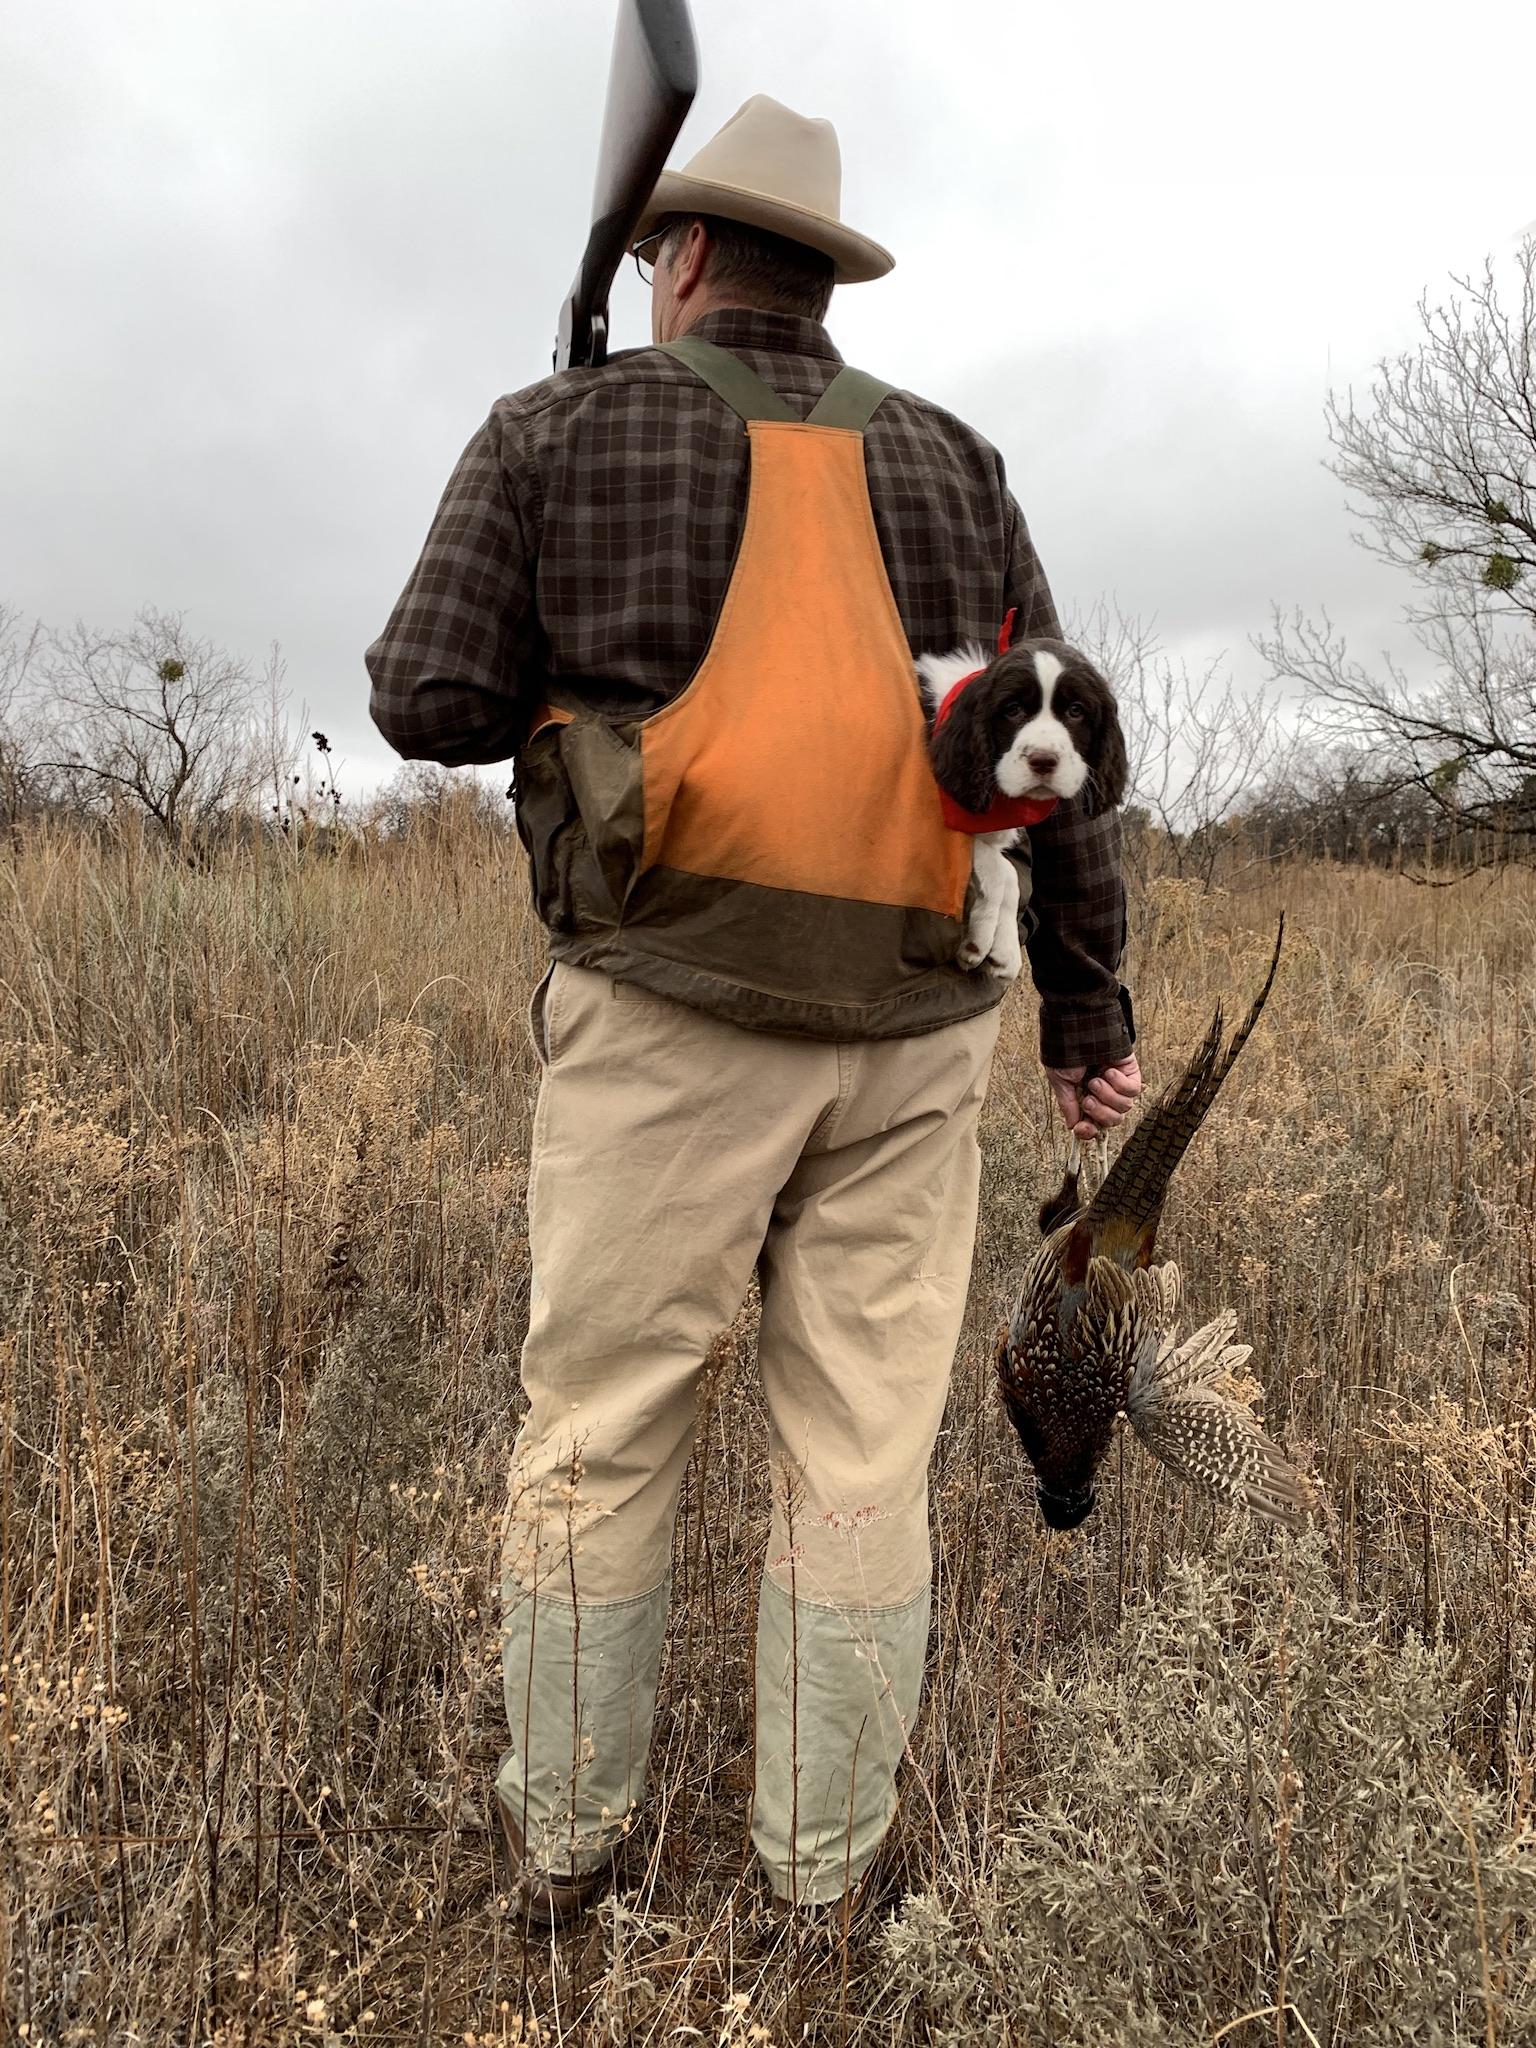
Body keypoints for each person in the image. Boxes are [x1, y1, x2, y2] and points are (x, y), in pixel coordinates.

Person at [366, 93, 1143, 1923]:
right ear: (822, 275)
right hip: (921, 1028)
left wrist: (574, 607)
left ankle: (565, 1853)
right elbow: (1062, 748)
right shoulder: (961, 463)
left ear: (691, 254)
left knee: (602, 1425)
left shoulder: (554, 426)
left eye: (655, 253)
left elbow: (424, 697)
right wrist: (1086, 1017)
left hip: (665, 1015)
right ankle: (824, 1875)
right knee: (863, 1447)